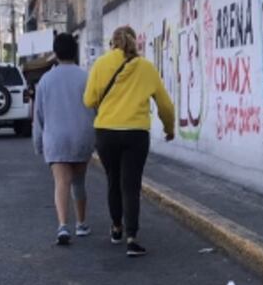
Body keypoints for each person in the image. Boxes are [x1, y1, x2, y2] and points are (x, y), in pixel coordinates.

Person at [83, 25, 175, 257]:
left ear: (112, 43)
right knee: (131, 185)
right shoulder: (146, 67)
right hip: (136, 133)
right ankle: (132, 238)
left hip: (106, 132)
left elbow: (88, 99)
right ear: (135, 42)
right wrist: (169, 128)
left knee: (113, 180)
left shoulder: (101, 64)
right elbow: (165, 104)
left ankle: (116, 228)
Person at [32, 33, 96, 245]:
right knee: (78, 182)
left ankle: (62, 226)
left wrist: (38, 143)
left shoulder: (45, 80)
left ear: (56, 53)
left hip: (56, 138)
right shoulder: (86, 77)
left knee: (61, 182)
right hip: (82, 136)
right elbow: (95, 108)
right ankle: (81, 223)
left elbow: (38, 115)